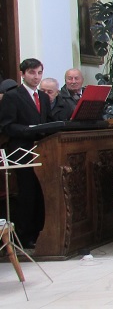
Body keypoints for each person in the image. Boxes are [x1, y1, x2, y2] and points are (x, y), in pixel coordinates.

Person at [0, 58, 53, 248]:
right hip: (21, 151)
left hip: (42, 150)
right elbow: (6, 126)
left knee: (41, 193)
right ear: (23, 74)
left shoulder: (44, 97)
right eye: (32, 73)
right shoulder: (13, 96)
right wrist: (28, 130)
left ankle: (39, 231)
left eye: (39, 72)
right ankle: (24, 235)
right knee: (27, 193)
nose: (36, 77)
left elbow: (48, 122)